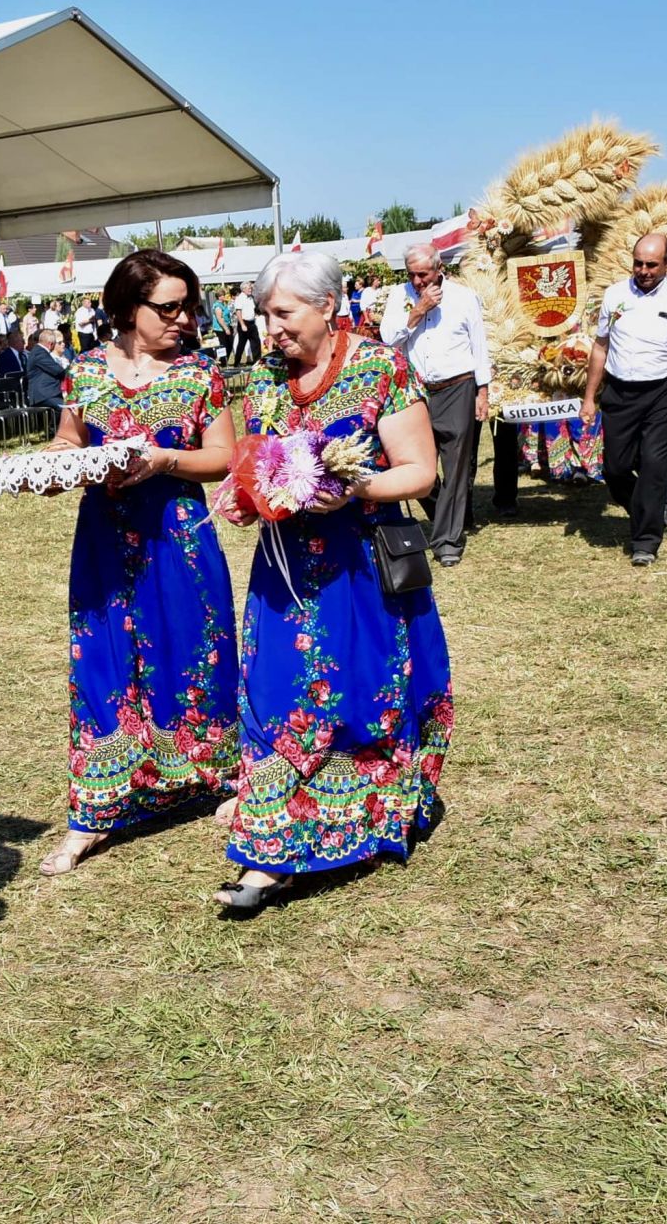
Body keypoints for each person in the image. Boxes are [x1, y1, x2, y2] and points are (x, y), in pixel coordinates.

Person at [214, 251, 453, 911]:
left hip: (359, 568)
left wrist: (356, 488)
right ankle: (267, 856)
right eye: (265, 314)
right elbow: (256, 459)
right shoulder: (264, 377)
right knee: (271, 695)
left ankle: (373, 816)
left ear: (326, 305)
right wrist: (245, 492)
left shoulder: (381, 366)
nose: (272, 328)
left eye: (284, 313)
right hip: (283, 573)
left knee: (362, 695)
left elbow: (420, 471)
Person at [38, 251, 239, 876]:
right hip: (103, 534)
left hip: (177, 534)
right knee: (100, 654)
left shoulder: (200, 374)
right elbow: (71, 438)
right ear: (128, 308)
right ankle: (94, 811)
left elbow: (224, 459)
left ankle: (218, 775)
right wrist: (56, 460)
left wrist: (163, 460)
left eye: (188, 306)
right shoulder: (85, 371)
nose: (184, 317)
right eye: (169, 307)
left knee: (194, 651)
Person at [579, 233, 667, 566]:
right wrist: (589, 398)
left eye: (651, 264)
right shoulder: (615, 296)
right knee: (614, 469)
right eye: (638, 263)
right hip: (620, 392)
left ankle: (645, 541)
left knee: (655, 465)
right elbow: (601, 346)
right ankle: (645, 512)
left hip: (664, 393)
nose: (643, 270)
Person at [380, 244, 493, 566]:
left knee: (455, 464)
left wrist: (482, 391)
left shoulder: (463, 298)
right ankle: (446, 512)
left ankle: (447, 541)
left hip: (457, 385)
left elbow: (479, 345)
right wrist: (417, 311)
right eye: (411, 274)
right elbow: (388, 339)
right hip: (415, 389)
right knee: (413, 463)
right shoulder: (398, 296)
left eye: (423, 274)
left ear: (438, 268)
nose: (417, 280)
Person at [231, 280, 261, 364]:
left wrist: (255, 315)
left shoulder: (251, 298)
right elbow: (238, 312)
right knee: (241, 344)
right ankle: (236, 362)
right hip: (244, 323)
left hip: (252, 323)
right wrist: (242, 324)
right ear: (243, 289)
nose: (250, 289)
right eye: (249, 288)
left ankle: (257, 362)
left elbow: (253, 309)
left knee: (256, 342)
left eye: (251, 288)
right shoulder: (240, 298)